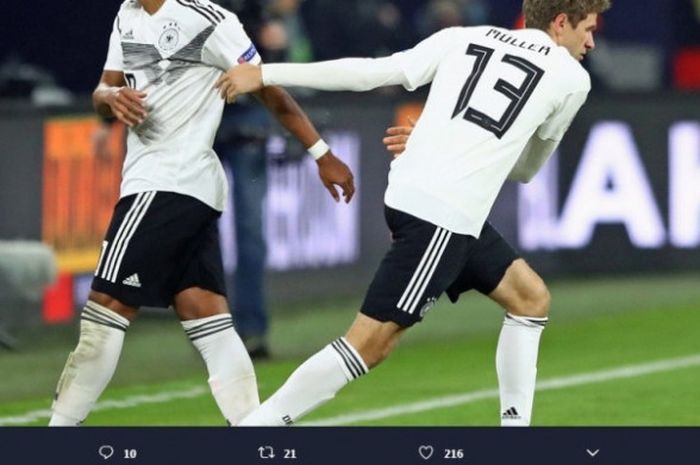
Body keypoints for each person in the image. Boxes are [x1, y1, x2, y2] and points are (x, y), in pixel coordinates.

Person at [217, 0, 611, 426]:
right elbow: (527, 169)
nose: (590, 41)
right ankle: (255, 429)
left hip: (422, 200)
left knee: (530, 298)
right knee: (369, 344)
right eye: (587, 29)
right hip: (444, 214)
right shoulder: (572, 78)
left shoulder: (464, 37)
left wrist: (266, 73)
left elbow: (372, 72)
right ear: (559, 23)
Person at [48, 0, 354, 427]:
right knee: (203, 311)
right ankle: (253, 429)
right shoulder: (127, 15)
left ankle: (57, 434)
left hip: (169, 182)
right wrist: (112, 98)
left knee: (106, 305)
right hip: (179, 186)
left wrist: (321, 153)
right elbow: (103, 91)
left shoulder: (210, 19)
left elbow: (267, 88)